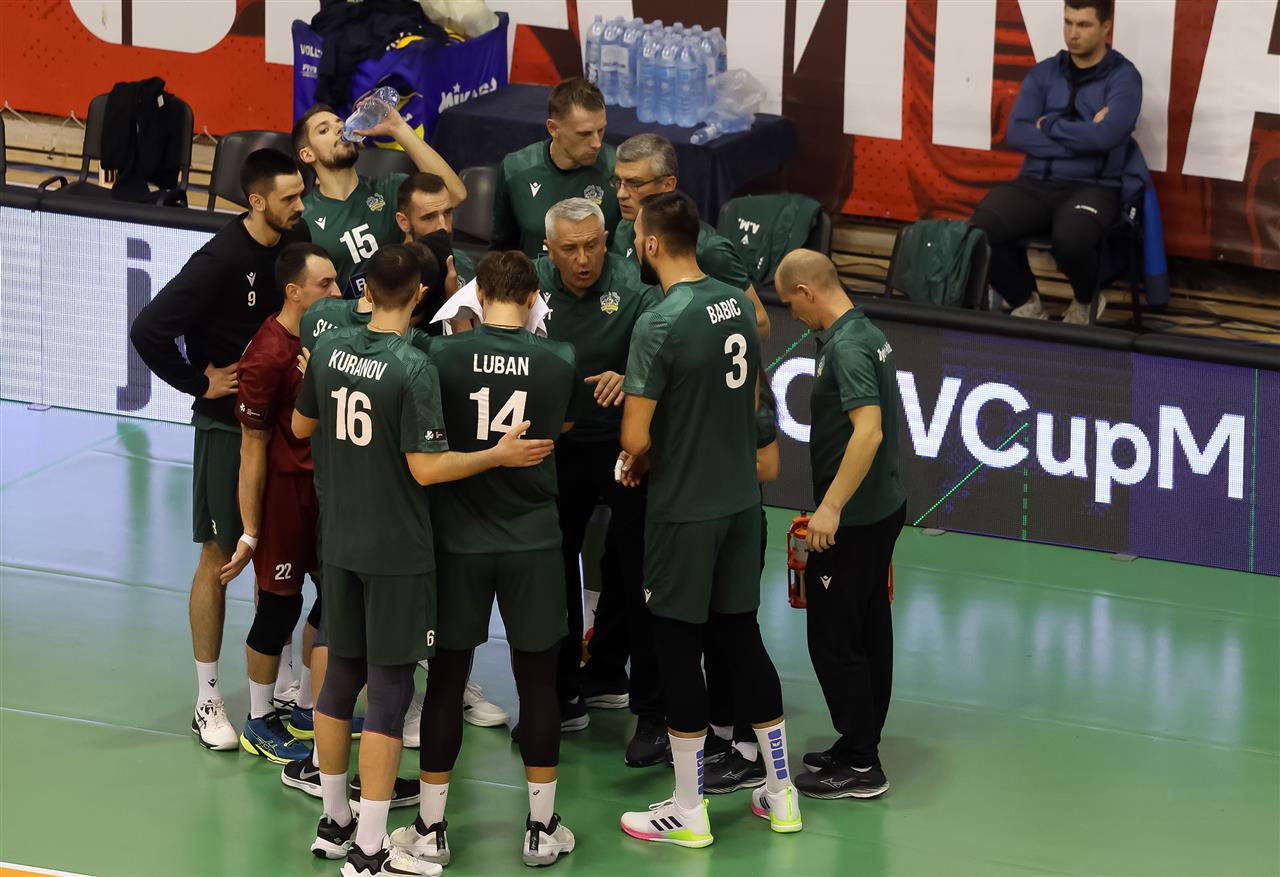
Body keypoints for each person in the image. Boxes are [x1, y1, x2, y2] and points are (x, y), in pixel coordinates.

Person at [294, 245, 553, 876]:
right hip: (396, 552)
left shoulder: (329, 351)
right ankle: (371, 851)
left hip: (340, 541)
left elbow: (300, 428)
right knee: (387, 695)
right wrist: (497, 455)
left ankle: (335, 823)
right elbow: (427, 469)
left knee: (338, 681)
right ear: (418, 295)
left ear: (365, 291)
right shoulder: (413, 368)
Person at [616, 192, 801, 846]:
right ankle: (781, 793)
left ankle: (689, 807)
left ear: (651, 244)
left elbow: (635, 438)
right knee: (742, 639)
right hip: (740, 505)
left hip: (684, 512)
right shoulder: (737, 305)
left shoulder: (659, 321)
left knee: (677, 648)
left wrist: (641, 455)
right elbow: (748, 400)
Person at [391, 251, 580, 868]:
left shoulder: (439, 354)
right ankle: (541, 827)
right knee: (537, 683)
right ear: (533, 299)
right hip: (533, 542)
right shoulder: (560, 358)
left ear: (476, 295)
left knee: (446, 681)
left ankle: (431, 828)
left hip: (458, 540)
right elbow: (562, 424)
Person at [129, 148, 309, 753]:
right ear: (256, 201)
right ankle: (207, 698)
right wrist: (197, 380)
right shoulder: (221, 259)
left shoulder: (296, 240)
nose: (300, 205)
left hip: (282, 428)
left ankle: (275, 683)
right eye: (289, 197)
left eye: (301, 194)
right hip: (227, 431)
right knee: (220, 555)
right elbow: (148, 329)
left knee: (276, 556)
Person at [534, 198, 666, 765]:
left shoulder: (638, 288)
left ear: (607, 240)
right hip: (557, 448)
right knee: (553, 565)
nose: (584, 259)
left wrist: (631, 374)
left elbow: (667, 357)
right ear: (549, 249)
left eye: (593, 245)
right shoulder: (530, 286)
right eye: (570, 249)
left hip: (625, 449)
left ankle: (651, 709)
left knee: (638, 569)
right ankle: (563, 696)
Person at [772, 249, 907, 800]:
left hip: (853, 518)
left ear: (807, 291)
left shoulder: (848, 348)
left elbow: (869, 432)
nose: (792, 314)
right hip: (880, 508)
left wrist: (830, 507)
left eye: (791, 303)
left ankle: (861, 764)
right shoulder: (863, 333)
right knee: (869, 629)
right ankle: (858, 742)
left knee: (833, 637)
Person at [213, 242, 336, 765]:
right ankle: (259, 719)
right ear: (294, 291)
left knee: (335, 596)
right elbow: (252, 448)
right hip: (285, 496)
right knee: (280, 606)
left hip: (325, 489)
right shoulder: (267, 354)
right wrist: (250, 531)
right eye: (325, 284)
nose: (337, 291)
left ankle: (306, 706)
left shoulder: (323, 337)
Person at [969, 0, 1141, 324]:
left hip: (1094, 188)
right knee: (980, 230)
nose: (1072, 33)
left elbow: (1106, 138)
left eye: (1083, 24)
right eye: (1068, 22)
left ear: (1106, 27)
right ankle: (1026, 301)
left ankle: (1086, 300)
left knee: (1072, 241)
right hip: (1036, 182)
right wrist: (1086, 137)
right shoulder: (1044, 72)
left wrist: (1047, 124)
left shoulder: (1125, 78)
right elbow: (1017, 133)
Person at [294, 103, 467, 298]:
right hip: (348, 315)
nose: (339, 129)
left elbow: (455, 194)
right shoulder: (303, 217)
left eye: (340, 123)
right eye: (324, 130)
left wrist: (398, 128)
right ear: (307, 154)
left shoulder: (391, 188)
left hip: (407, 309)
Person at [610, 133, 771, 339]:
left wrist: (692, 344)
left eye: (635, 184)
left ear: (668, 185)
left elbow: (760, 323)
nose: (621, 194)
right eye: (618, 181)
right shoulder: (624, 229)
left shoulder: (710, 250)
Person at [491, 78, 620, 258]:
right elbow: (501, 248)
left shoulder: (618, 169)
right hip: (535, 274)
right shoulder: (516, 170)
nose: (597, 143)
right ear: (553, 128)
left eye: (601, 130)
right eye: (585, 134)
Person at [394, 171, 478, 286]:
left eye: (447, 213)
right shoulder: (390, 275)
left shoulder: (465, 262)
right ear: (404, 222)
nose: (443, 227)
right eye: (429, 218)